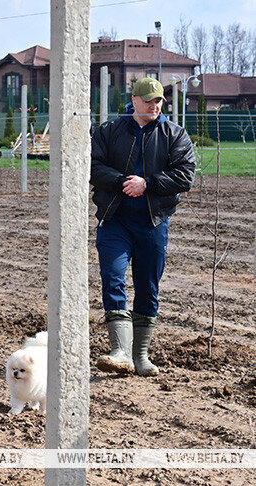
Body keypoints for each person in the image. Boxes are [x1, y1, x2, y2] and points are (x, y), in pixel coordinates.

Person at [90, 77, 195, 376]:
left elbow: (185, 175)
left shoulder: (174, 134)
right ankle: (119, 351)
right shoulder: (109, 131)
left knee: (148, 287)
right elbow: (93, 166)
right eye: (148, 99)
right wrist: (123, 182)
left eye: (159, 100)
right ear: (133, 100)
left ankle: (141, 356)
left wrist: (147, 184)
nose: (154, 105)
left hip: (153, 223)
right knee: (112, 278)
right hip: (115, 220)